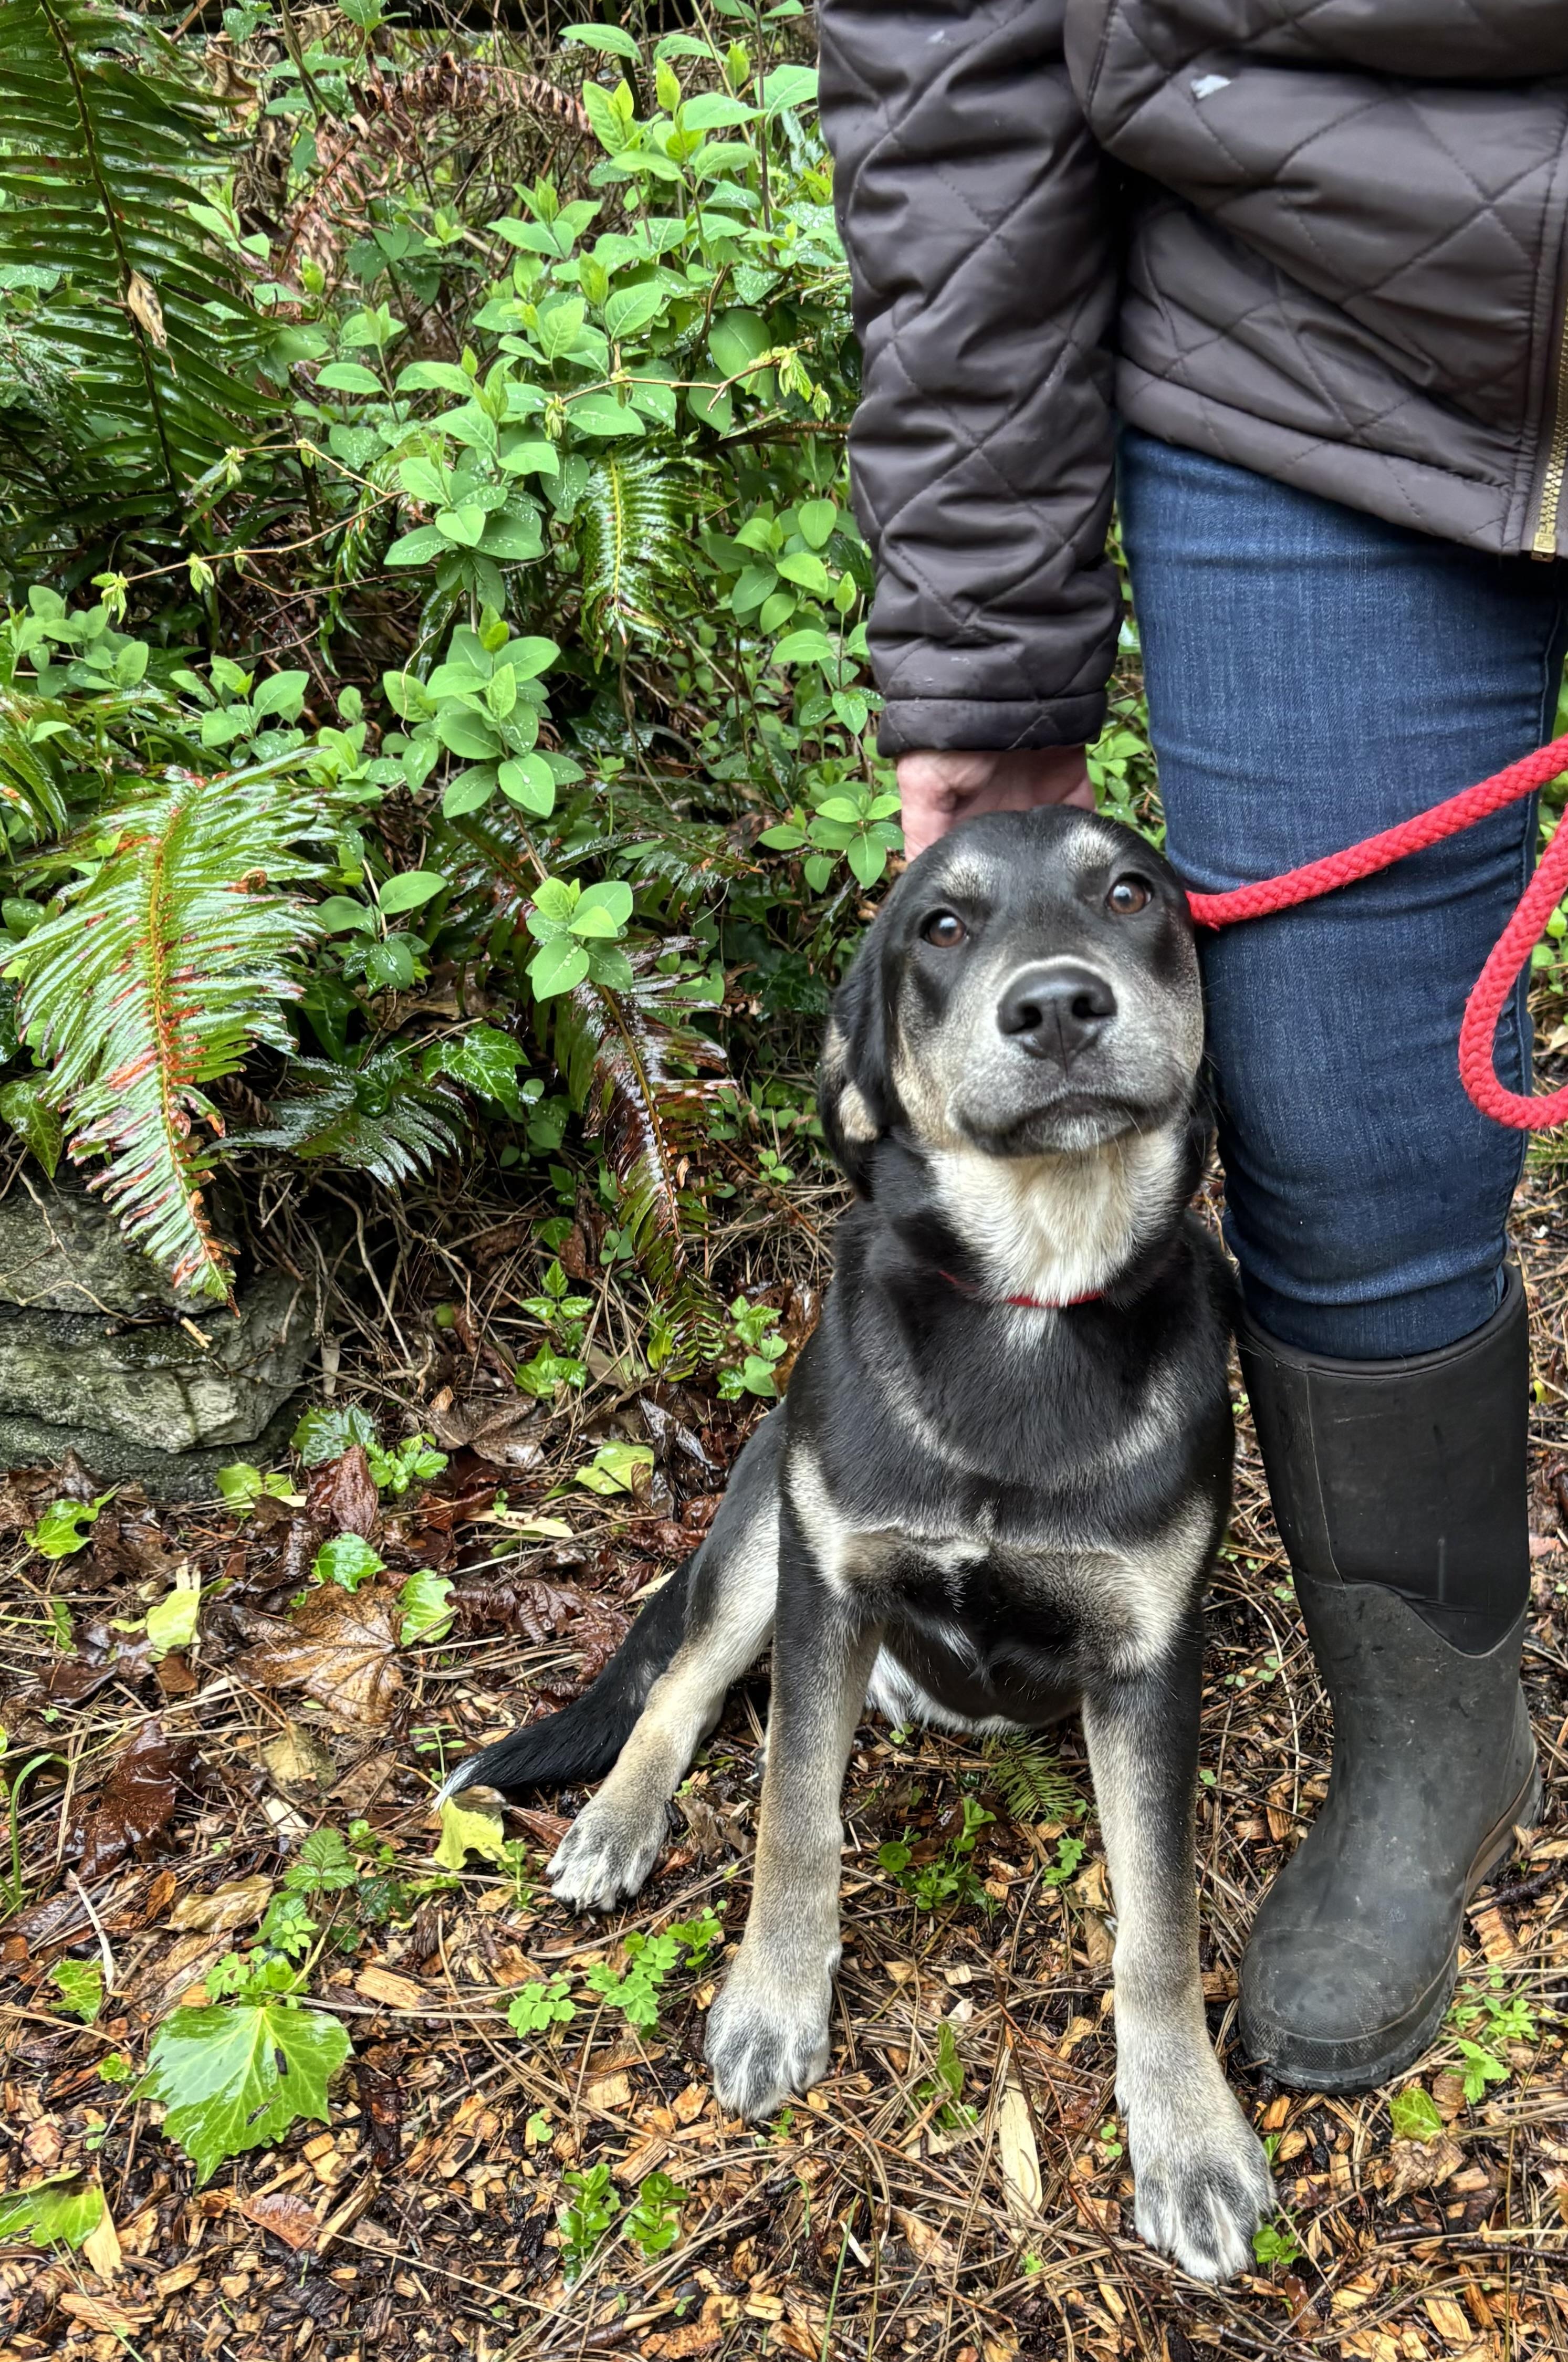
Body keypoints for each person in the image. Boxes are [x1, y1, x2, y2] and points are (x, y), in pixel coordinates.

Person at [817, 0, 1567, 2092]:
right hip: (1314, 341)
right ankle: (1436, 1746)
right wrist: (981, 630)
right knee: (1335, 1138)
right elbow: (947, 51)